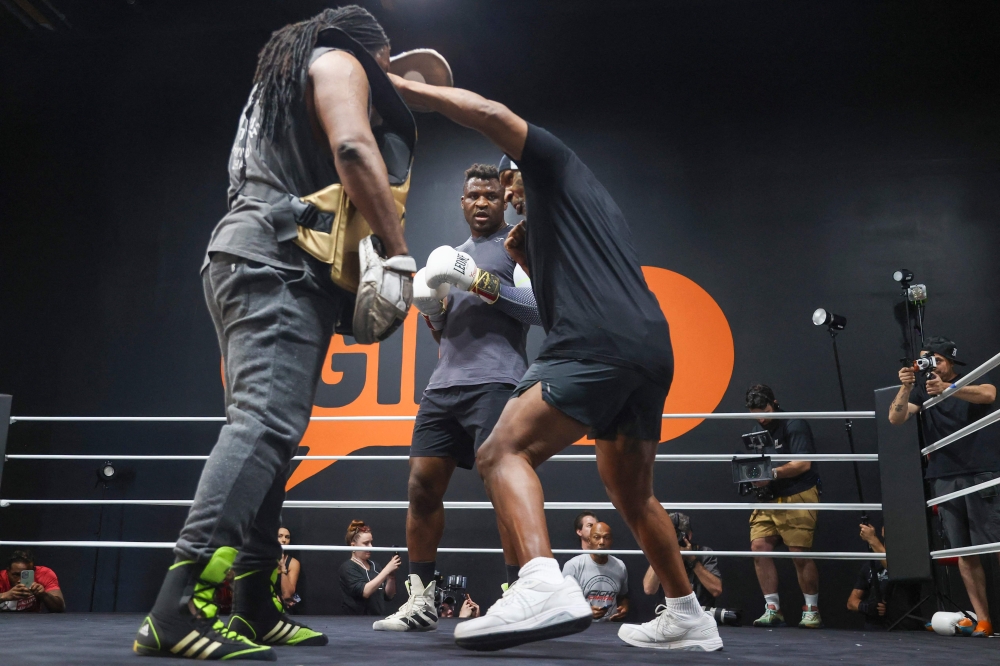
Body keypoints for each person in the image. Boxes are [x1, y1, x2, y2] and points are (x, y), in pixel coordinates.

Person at [388, 75, 722, 652]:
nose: (506, 197)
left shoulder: (554, 168)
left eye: (508, 185)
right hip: (647, 348)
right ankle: (687, 613)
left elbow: (488, 112)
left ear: (521, 172)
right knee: (630, 491)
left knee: (499, 451)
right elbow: (549, 299)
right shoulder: (563, 224)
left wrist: (406, 91)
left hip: (593, 341)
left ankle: (541, 582)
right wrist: (524, 256)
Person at [135, 7, 419, 659]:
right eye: (385, 64)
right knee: (263, 426)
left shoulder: (285, 80)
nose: (383, 77)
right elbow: (354, 149)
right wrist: (398, 252)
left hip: (258, 257)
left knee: (272, 435)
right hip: (275, 263)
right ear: (371, 48)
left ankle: (255, 604)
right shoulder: (340, 58)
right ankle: (176, 609)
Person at [374, 163, 539, 632]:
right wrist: (432, 312)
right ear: (462, 202)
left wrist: (481, 282)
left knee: (503, 490)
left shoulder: (517, 245)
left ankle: (519, 596)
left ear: (504, 200)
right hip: (443, 386)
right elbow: (445, 333)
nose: (482, 202)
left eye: (491, 195)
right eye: (473, 196)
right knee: (421, 488)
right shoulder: (450, 256)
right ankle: (421, 600)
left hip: (498, 382)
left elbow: (537, 310)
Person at [888, 336, 998, 637]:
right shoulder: (922, 389)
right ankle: (984, 620)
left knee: (998, 544)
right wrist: (906, 386)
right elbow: (895, 417)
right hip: (944, 475)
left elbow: (989, 395)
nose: (931, 366)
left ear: (950, 361)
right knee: (964, 551)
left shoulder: (971, 377)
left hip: (982, 470)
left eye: (937, 360)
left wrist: (949, 389)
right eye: (926, 360)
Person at [745, 384, 823, 629]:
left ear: (774, 403)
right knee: (759, 547)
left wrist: (771, 474)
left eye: (765, 411)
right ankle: (772, 609)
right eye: (755, 413)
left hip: (798, 492)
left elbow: (803, 463)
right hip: (768, 497)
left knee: (799, 552)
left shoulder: (794, 423)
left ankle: (811, 610)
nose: (761, 418)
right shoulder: (756, 430)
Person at [643, 513, 722, 609]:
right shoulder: (662, 554)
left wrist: (692, 560)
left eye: (677, 535)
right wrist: (660, 554)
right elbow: (649, 589)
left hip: (700, 612)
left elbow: (716, 590)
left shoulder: (703, 553)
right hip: (670, 612)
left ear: (689, 535)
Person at [562, 522, 629, 622]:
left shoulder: (620, 566)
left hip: (611, 626)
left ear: (611, 541)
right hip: (582, 627)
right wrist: (584, 612)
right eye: (597, 537)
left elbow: (623, 597)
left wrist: (624, 607)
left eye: (606, 538)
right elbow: (561, 603)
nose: (601, 542)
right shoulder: (573, 566)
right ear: (589, 541)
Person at [339, 520, 400, 616]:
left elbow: (388, 596)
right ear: (353, 545)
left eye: (371, 542)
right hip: (355, 621)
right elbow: (365, 592)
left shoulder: (375, 566)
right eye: (366, 543)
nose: (371, 546)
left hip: (376, 619)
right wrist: (387, 570)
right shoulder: (348, 567)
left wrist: (391, 577)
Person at [0, 550, 65, 612]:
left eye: (26, 575)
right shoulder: (1, 578)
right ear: (8, 571)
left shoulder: (44, 574)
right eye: (16, 575)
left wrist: (44, 595)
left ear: (34, 571)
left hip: (32, 619)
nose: (20, 580)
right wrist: (4, 596)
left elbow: (60, 608)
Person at [277, 527, 301, 610]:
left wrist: (283, 568)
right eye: (279, 536)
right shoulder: (263, 559)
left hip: (283, 609)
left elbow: (287, 595)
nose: (284, 540)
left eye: (287, 537)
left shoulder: (293, 563)